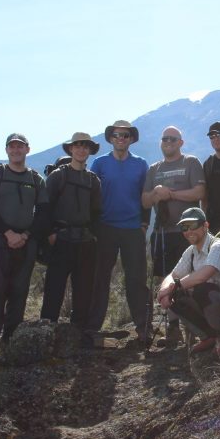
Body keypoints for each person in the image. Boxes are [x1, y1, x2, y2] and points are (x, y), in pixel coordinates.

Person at [0, 133, 49, 357]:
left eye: (21, 147)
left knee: (19, 290)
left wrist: (26, 235)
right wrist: (8, 233)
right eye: (12, 147)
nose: (16, 150)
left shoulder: (36, 179)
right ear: (7, 150)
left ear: (28, 149)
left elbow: (43, 213)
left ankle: (11, 339)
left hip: (26, 241)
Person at [88, 120, 151, 348]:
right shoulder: (100, 163)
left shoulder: (141, 164)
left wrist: (144, 224)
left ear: (131, 138)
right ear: (111, 138)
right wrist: (94, 227)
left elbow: (146, 196)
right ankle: (92, 327)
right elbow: (91, 196)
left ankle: (144, 328)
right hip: (105, 228)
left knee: (136, 279)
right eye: (116, 135)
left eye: (125, 135)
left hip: (133, 229)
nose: (121, 138)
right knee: (100, 279)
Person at [142, 126, 206, 349]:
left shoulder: (191, 163)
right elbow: (145, 202)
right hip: (162, 232)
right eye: (164, 138)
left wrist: (171, 194)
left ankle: (194, 328)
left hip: (189, 233)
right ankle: (173, 327)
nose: (168, 141)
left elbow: (199, 193)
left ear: (181, 142)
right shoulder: (153, 169)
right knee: (165, 278)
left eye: (173, 138)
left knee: (191, 277)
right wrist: (155, 194)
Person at [155, 207, 220, 358]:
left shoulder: (218, 246)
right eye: (184, 227)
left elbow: (203, 275)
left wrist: (172, 287)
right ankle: (210, 337)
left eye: (193, 225)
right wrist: (165, 290)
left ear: (205, 226)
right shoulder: (191, 251)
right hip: (214, 302)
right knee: (177, 295)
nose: (189, 231)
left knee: (202, 289)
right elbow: (173, 275)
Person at [40, 132, 102, 329]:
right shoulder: (57, 176)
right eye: (78, 146)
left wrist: (93, 236)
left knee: (84, 290)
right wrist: (50, 234)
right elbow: (44, 208)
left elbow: (96, 212)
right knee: (54, 289)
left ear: (90, 151)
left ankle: (78, 334)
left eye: (85, 146)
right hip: (61, 240)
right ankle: (47, 330)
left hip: (85, 241)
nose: (81, 150)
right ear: (71, 149)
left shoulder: (93, 181)